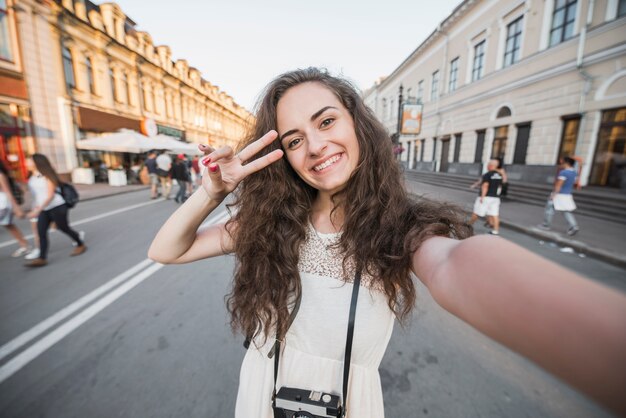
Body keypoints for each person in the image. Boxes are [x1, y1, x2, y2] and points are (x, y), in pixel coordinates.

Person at [149, 68, 626, 417]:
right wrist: (213, 190)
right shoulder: (271, 223)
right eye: (294, 140)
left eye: (326, 122)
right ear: (283, 158)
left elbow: (456, 267)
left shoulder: (400, 225)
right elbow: (166, 250)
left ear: (357, 122)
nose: (315, 146)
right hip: (261, 395)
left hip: (348, 405)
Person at [24, 154, 86, 267]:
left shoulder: (47, 176)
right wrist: (37, 207)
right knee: (41, 232)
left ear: (37, 162)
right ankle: (42, 258)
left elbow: (50, 196)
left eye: (29, 161)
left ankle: (80, 243)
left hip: (57, 206)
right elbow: (38, 195)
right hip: (44, 208)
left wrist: (37, 210)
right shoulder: (32, 177)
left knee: (63, 228)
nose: (26, 163)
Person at [539, 156, 580, 236]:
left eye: (562, 162)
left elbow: (559, 185)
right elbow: (575, 183)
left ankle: (546, 225)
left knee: (549, 209)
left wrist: (553, 194)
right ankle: (574, 226)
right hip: (567, 195)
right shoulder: (574, 173)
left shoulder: (564, 173)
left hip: (559, 195)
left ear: (566, 163)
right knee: (566, 211)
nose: (560, 164)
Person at [0, 160, 31, 257]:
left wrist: (16, 208)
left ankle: (25, 246)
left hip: (3, 204)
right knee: (9, 225)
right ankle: (25, 246)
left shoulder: (0, 175)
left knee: (9, 225)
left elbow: (7, 192)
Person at [468, 159, 503, 235]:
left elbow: (485, 185)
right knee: (495, 214)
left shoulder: (487, 174)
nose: (487, 166)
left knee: (476, 212)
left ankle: (468, 225)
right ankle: (495, 231)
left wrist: (482, 197)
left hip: (486, 197)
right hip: (495, 198)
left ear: (490, 166)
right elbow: (500, 186)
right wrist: (497, 195)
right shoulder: (499, 175)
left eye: (488, 164)